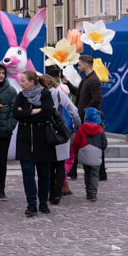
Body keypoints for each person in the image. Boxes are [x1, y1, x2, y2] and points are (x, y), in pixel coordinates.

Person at [13, 71, 56, 217]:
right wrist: (32, 113)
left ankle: (43, 202)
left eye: (24, 80)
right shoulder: (20, 96)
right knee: (28, 173)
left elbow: (47, 113)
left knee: (44, 174)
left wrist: (26, 114)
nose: (21, 83)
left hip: (43, 141)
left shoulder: (45, 95)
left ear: (32, 82)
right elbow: (15, 113)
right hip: (25, 141)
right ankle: (31, 204)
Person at [41, 73, 79, 205]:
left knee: (50, 165)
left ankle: (50, 192)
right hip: (62, 132)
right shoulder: (59, 94)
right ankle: (57, 193)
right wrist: (77, 126)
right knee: (60, 164)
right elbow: (74, 111)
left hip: (46, 132)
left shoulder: (40, 95)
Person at [70, 54, 105, 180]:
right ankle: (73, 171)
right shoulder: (86, 79)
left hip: (90, 119)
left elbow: (97, 99)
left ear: (85, 65)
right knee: (81, 144)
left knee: (92, 145)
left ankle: (100, 173)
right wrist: (67, 84)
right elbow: (79, 94)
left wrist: (86, 111)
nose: (78, 66)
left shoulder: (94, 80)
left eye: (79, 64)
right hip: (84, 118)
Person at [0, 63, 16, 201]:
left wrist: (8, 127)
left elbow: (14, 111)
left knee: (2, 161)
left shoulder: (11, 91)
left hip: (4, 132)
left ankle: (0, 189)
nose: (1, 76)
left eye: (3, 73)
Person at [71, 107, 107, 202]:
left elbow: (76, 142)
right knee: (95, 175)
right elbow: (104, 143)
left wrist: (75, 153)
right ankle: (93, 194)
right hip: (97, 154)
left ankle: (88, 192)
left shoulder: (82, 128)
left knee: (87, 173)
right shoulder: (100, 130)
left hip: (85, 154)